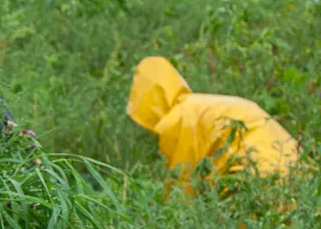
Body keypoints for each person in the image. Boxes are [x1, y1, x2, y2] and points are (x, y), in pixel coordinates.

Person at [126, 56, 299, 179]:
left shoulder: (178, 120)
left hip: (256, 175)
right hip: (294, 170)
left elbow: (183, 183)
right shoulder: (197, 106)